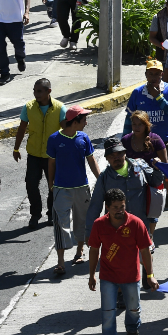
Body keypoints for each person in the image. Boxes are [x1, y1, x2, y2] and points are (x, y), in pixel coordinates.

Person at [88, 188, 158, 335]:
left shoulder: (136, 223)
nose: (119, 210)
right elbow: (94, 250)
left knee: (133, 309)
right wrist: (91, 275)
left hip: (130, 277)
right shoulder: (99, 225)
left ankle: (132, 327)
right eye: (115, 207)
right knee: (108, 315)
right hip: (108, 277)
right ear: (107, 207)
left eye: (122, 206)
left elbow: (145, 251)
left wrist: (150, 275)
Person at [46, 104, 100, 276]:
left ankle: (79, 252)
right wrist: (50, 184)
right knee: (61, 224)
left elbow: (91, 161)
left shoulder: (84, 138)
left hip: (82, 188)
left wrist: (101, 179)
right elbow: (51, 163)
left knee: (82, 221)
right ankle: (61, 262)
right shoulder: (54, 139)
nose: (86, 122)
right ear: (75, 121)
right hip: (61, 189)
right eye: (84, 119)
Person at [87, 137, 163, 256]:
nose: (116, 157)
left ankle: (148, 275)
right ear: (106, 158)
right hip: (117, 230)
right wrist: (90, 233)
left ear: (125, 152)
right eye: (112, 155)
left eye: (119, 153)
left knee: (145, 258)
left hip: (141, 225)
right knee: (121, 262)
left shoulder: (140, 165)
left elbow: (156, 182)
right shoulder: (104, 178)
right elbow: (94, 207)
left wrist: (158, 169)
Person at [124, 60, 168, 204]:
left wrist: (158, 96)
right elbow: (128, 118)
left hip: (166, 140)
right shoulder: (137, 93)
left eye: (157, 74)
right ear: (146, 74)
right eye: (151, 74)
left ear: (162, 74)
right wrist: (125, 140)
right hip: (144, 141)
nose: (154, 77)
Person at [13, 79, 64, 229]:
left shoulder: (60, 108)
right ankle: (35, 214)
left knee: (53, 185)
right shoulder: (28, 107)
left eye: (39, 91)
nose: (36, 94)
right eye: (34, 91)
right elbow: (21, 129)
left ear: (49, 91)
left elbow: (66, 131)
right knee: (31, 184)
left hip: (52, 156)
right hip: (34, 154)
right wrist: (16, 149)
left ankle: (51, 214)